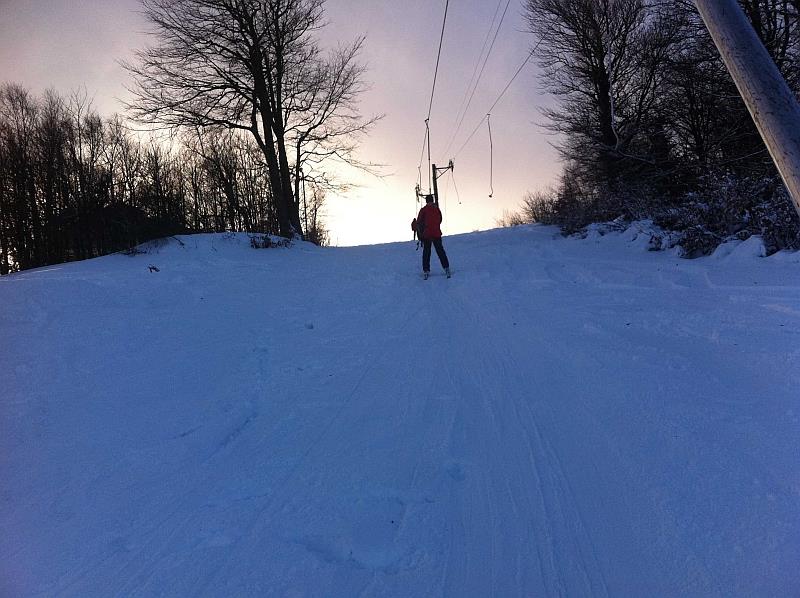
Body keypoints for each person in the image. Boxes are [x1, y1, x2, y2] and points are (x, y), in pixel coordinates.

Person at [415, 194, 451, 279]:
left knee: (426, 252)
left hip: (427, 234)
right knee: (440, 251)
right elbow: (440, 219)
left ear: (426, 201)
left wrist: (421, 233)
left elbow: (418, 221)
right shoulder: (437, 209)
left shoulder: (423, 210)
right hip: (436, 233)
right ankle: (446, 267)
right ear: (433, 200)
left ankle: (426, 270)